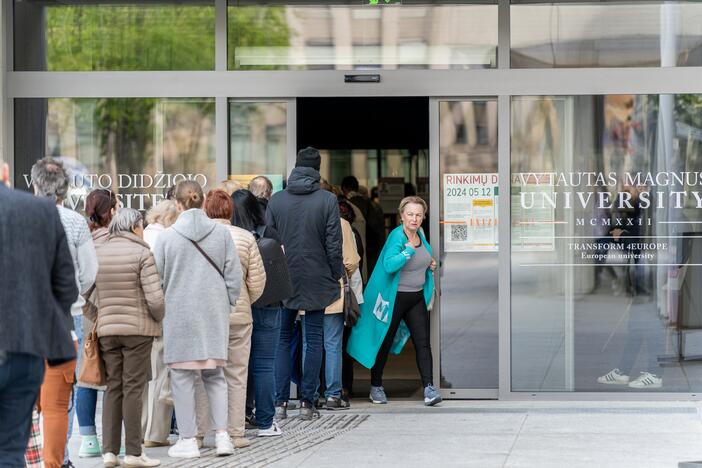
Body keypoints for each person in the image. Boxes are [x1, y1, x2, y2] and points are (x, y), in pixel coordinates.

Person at [153, 180, 242, 459]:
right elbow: (233, 277)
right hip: (213, 313)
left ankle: (189, 439)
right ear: (203, 202)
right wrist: (225, 304)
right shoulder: (221, 234)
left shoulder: (166, 238)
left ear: (177, 205)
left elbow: (157, 280)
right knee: (216, 376)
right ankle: (223, 436)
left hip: (179, 315)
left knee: (182, 378)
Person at [0, 162, 78, 466]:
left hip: (25, 344)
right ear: (5, 172)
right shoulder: (41, 213)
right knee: (9, 450)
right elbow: (66, 289)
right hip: (25, 348)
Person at [266, 147, 344, 420]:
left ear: (296, 167)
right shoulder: (327, 200)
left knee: (282, 340)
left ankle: (279, 403)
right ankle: (307, 403)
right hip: (317, 276)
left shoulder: (276, 200)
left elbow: (270, 242)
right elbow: (334, 243)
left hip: (284, 276)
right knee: (314, 339)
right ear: (317, 169)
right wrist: (335, 274)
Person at [31, 157, 98, 468]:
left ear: (33, 184)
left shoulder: (17, 217)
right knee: (61, 398)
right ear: (65, 189)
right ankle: (59, 459)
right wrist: (74, 295)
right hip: (65, 316)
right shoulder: (75, 223)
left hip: (22, 317)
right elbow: (89, 273)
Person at [347, 196, 441, 407]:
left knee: (423, 343)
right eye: (410, 214)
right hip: (394, 298)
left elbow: (423, 256)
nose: (414, 219)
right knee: (383, 341)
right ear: (401, 216)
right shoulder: (397, 237)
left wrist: (431, 264)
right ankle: (376, 386)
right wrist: (407, 251)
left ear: (423, 217)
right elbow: (389, 265)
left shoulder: (420, 235)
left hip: (416, 297)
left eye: (418, 215)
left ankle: (429, 388)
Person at [91, 208, 164, 467]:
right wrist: (159, 317)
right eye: (141, 225)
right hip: (137, 332)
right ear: (134, 227)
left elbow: (84, 291)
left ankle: (109, 452)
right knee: (133, 388)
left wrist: (99, 316)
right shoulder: (143, 253)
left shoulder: (98, 251)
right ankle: (133, 452)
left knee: (113, 388)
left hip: (108, 331)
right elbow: (155, 299)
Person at [202, 189, 266, 447]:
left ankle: (205, 432)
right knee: (237, 375)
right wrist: (243, 302)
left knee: (204, 374)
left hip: (206, 317)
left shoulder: (199, 237)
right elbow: (258, 281)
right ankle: (236, 433)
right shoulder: (245, 237)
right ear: (230, 211)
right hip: (239, 317)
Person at [231, 189, 285, 436]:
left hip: (237, 307)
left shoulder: (227, 236)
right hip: (269, 306)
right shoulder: (269, 234)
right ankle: (265, 423)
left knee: (233, 366)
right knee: (264, 365)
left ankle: (236, 418)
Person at [301, 194, 361, 410]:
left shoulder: (304, 220)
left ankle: (310, 394)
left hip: (306, 291)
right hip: (333, 291)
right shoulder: (342, 223)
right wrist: (339, 274)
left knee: (309, 343)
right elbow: (352, 261)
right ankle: (334, 395)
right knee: (333, 344)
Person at [76, 188, 117, 458]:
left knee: (87, 374)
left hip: (89, 317)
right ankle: (116, 439)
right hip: (115, 315)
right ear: (110, 211)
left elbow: (78, 284)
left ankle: (88, 438)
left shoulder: (84, 240)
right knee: (117, 377)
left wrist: (92, 311)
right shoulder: (118, 240)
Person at [142, 200, 179, 448]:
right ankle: (156, 434)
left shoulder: (143, 234)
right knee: (162, 374)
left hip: (141, 316)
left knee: (146, 377)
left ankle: (144, 429)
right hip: (161, 312)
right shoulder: (165, 239)